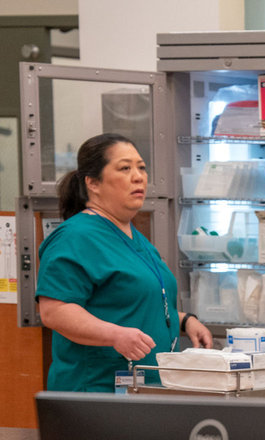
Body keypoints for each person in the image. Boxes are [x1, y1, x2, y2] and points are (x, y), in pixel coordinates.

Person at [36, 133, 213, 392]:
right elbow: (55, 311)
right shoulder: (76, 236)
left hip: (145, 391)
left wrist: (185, 321)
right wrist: (114, 335)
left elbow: (132, 303)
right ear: (93, 183)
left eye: (141, 167)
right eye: (125, 168)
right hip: (96, 393)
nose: (138, 176)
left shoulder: (134, 238)